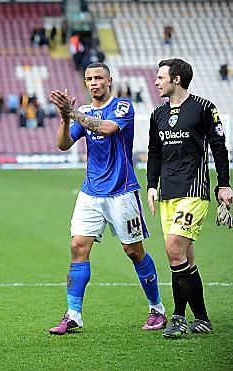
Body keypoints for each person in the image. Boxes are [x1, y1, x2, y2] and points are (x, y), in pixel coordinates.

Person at [48, 62, 167, 335]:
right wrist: (66, 118)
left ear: (109, 80)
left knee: (133, 251)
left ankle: (157, 309)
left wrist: (73, 112)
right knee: (78, 246)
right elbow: (63, 144)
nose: (93, 83)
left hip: (122, 190)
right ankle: (74, 314)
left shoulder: (123, 107)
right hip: (91, 192)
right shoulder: (83, 112)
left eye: (99, 78)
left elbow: (105, 128)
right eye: (89, 78)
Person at [147, 58, 233, 338]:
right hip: (168, 194)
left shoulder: (204, 108)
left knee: (173, 249)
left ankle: (178, 317)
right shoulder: (157, 114)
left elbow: (219, 147)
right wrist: (151, 185)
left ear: (177, 80)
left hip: (194, 191)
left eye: (161, 77)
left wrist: (224, 184)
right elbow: (154, 153)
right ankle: (203, 318)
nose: (157, 81)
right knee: (184, 259)